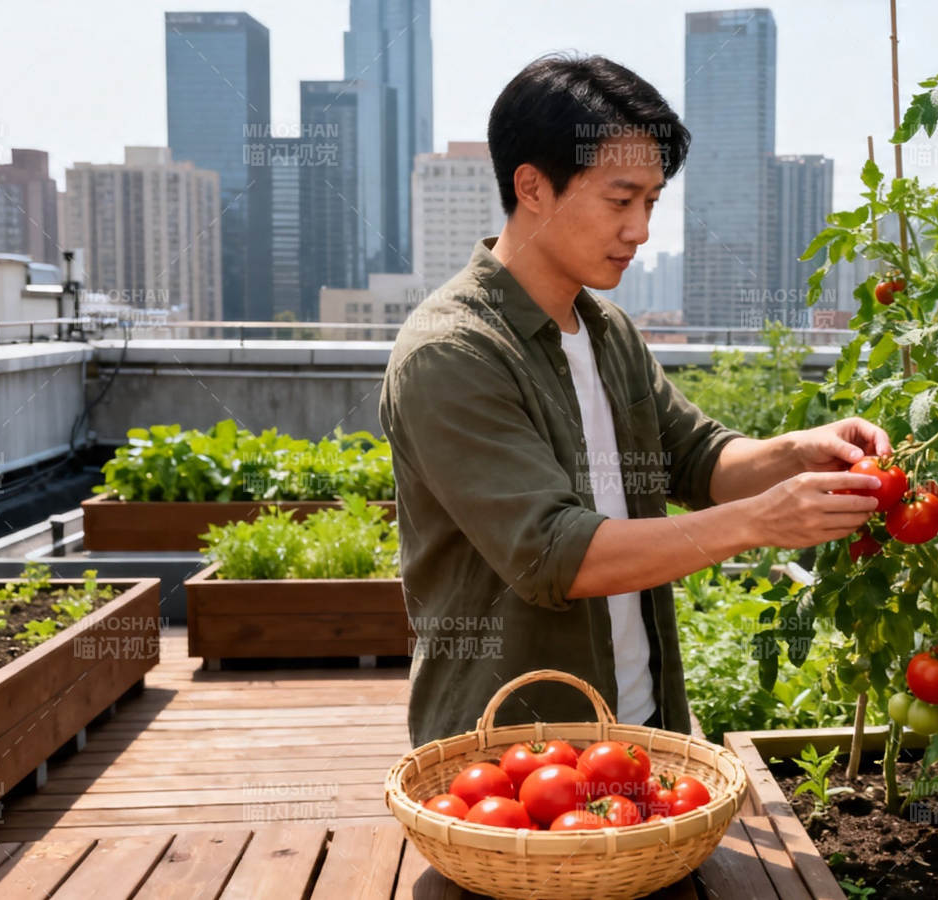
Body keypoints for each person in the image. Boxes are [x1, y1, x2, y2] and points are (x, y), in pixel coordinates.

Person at [380, 53, 890, 747]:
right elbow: (555, 556)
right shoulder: (453, 353)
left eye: (651, 202)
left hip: (638, 732)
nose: (641, 230)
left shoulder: (605, 329)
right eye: (621, 201)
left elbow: (697, 457)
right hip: (513, 759)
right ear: (532, 187)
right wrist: (760, 522)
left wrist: (795, 454)